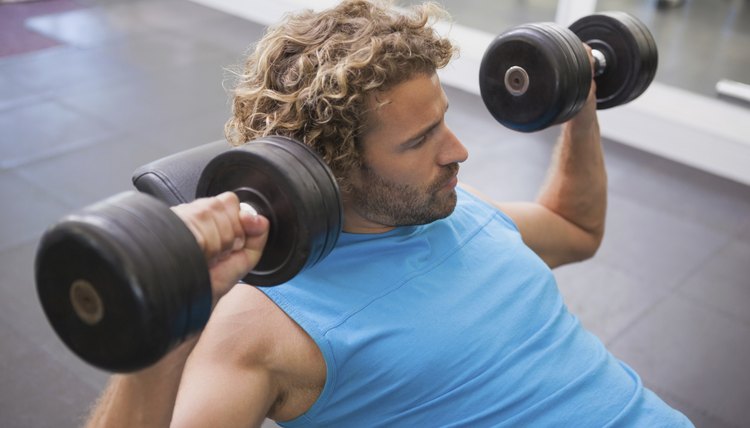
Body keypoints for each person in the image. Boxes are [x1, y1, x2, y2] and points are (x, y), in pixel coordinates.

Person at [85, 1, 693, 426]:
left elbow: (576, 230)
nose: (459, 152)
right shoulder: (261, 327)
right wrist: (169, 330)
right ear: (331, 169)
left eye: (444, 122)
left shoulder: (449, 206)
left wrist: (578, 108)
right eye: (419, 140)